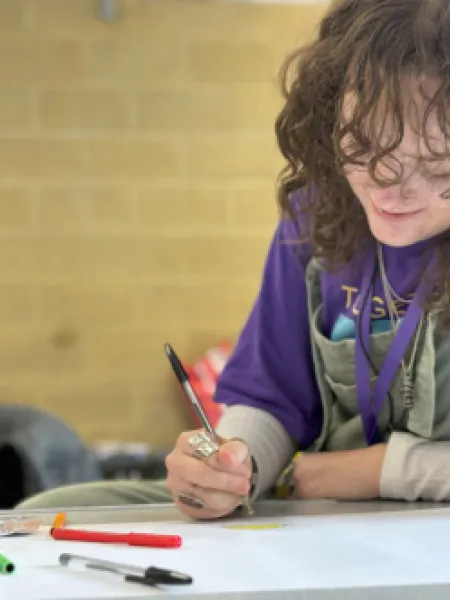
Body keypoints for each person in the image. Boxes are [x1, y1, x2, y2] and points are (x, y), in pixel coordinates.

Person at [17, 0, 450, 516]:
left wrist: (383, 470)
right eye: (363, 145)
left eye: (436, 168)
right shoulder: (320, 212)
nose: (388, 190)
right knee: (47, 513)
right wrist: (230, 467)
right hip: (328, 510)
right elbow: (271, 397)